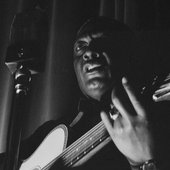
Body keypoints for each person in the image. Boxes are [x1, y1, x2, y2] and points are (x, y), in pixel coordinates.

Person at [2, 16, 170, 170]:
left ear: (129, 55)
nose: (89, 52)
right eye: (80, 47)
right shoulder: (49, 133)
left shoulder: (159, 121)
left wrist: (144, 162)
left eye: (104, 41)